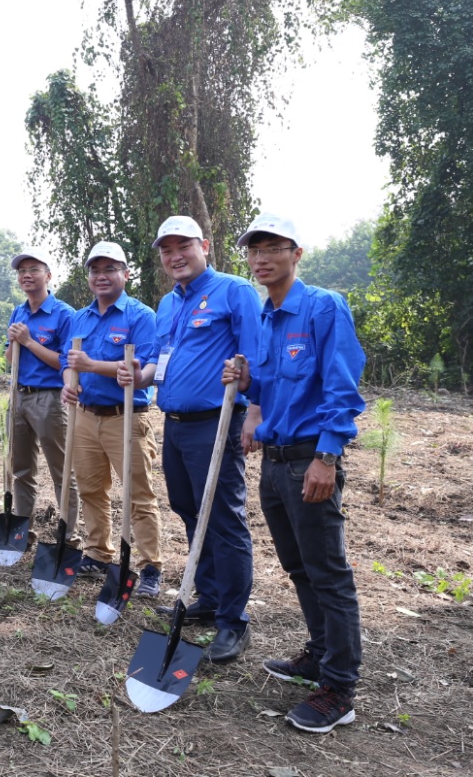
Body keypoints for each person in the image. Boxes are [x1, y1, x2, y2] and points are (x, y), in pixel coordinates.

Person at [224, 212, 366, 733]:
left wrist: (327, 458)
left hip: (311, 459)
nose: (261, 258)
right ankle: (320, 654)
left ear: (296, 253)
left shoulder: (322, 307)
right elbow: (266, 389)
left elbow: (342, 387)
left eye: (272, 248)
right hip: (275, 461)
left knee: (328, 572)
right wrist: (244, 384)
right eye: (253, 250)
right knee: (299, 567)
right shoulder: (265, 317)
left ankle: (339, 688)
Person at [152, 215, 261, 664]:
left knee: (224, 519)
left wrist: (254, 410)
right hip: (174, 424)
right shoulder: (166, 304)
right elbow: (163, 360)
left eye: (184, 246)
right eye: (166, 249)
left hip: (216, 424)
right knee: (188, 509)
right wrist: (136, 375)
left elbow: (255, 355)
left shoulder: (234, 292)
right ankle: (211, 598)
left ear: (206, 246)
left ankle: (233, 622)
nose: (175, 256)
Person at [61, 241, 164, 596]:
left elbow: (145, 367)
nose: (101, 276)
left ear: (126, 273)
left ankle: (150, 567)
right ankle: (98, 553)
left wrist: (92, 366)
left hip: (127, 418)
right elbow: (67, 363)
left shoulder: (141, 316)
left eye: (109, 269)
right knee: (91, 490)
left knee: (138, 495)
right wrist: (67, 385)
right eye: (95, 270)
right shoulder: (80, 317)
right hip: (86, 416)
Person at [5, 248, 78, 542]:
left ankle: (67, 537)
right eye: (22, 271)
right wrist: (14, 343)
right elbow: (10, 359)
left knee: (62, 472)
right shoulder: (18, 312)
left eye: (34, 269)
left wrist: (29, 341)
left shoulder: (64, 314)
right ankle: (23, 532)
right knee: (21, 470)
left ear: (48, 276)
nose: (27, 275)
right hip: (19, 397)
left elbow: (67, 361)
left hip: (50, 399)